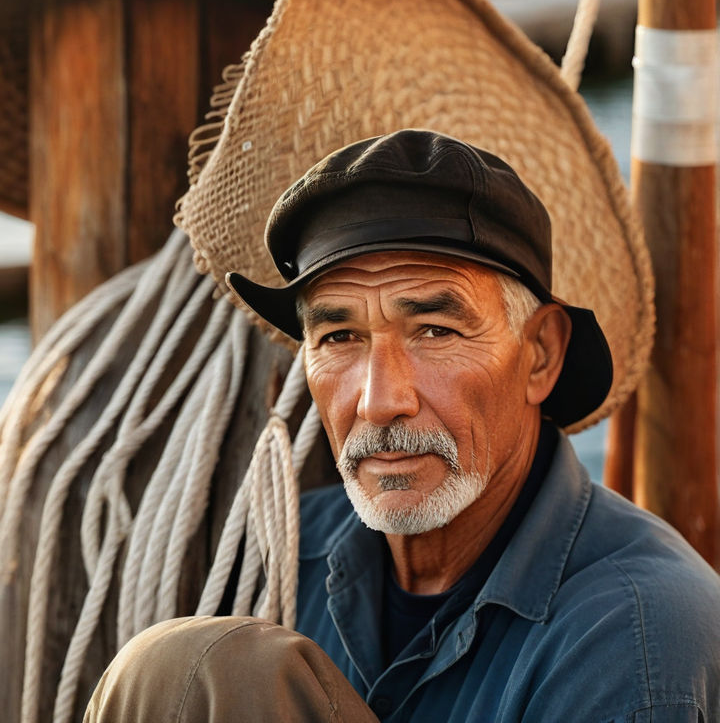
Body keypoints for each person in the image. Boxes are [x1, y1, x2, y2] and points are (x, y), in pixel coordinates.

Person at [85, 129, 720, 722]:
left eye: (435, 331)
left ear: (540, 355)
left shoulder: (639, 637)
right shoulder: (289, 556)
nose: (379, 401)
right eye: (339, 336)